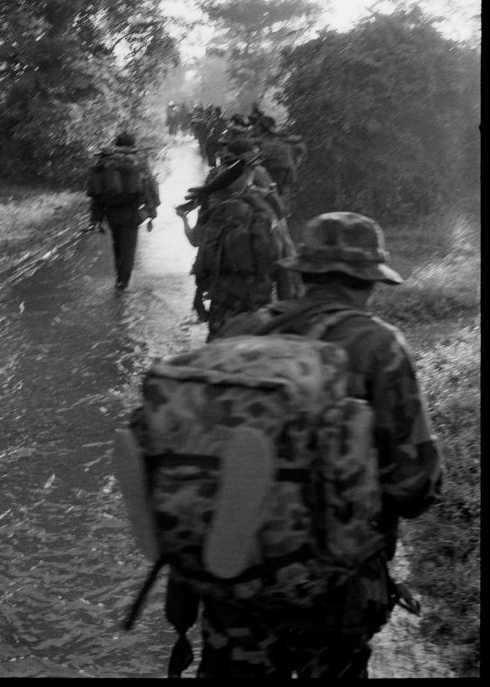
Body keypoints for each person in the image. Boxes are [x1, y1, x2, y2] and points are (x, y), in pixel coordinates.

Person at [170, 211, 443, 678]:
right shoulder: (379, 346)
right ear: (368, 281)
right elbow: (415, 488)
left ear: (303, 272)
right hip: (330, 596)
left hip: (232, 583)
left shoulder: (239, 331)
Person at [175, 139, 299, 337]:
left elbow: (200, 245)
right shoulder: (267, 201)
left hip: (225, 305)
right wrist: (287, 311)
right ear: (253, 170)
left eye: (227, 164)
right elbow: (285, 254)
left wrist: (198, 296)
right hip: (255, 306)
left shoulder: (215, 202)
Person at [88, 132, 160, 291]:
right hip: (131, 212)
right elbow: (149, 186)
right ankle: (123, 281)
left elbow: (97, 193)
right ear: (133, 144)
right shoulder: (138, 161)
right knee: (129, 248)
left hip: (111, 213)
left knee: (117, 245)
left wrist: (96, 218)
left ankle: (119, 277)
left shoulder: (105, 160)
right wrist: (151, 210)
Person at [253, 115, 297, 204]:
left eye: (258, 127)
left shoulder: (261, 145)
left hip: (267, 184)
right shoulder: (284, 144)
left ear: (262, 129)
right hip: (284, 182)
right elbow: (292, 167)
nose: (256, 129)